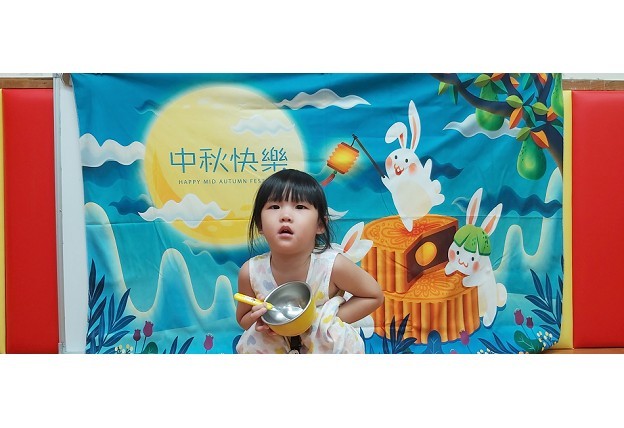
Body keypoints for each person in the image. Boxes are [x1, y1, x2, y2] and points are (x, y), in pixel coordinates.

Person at [235, 168, 384, 354]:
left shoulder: (332, 265)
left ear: (320, 225)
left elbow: (373, 295)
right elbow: (243, 319)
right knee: (253, 341)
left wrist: (326, 321)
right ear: (260, 225)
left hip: (326, 349)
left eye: (299, 207)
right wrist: (258, 319)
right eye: (274, 207)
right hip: (273, 346)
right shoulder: (251, 272)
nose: (285, 216)